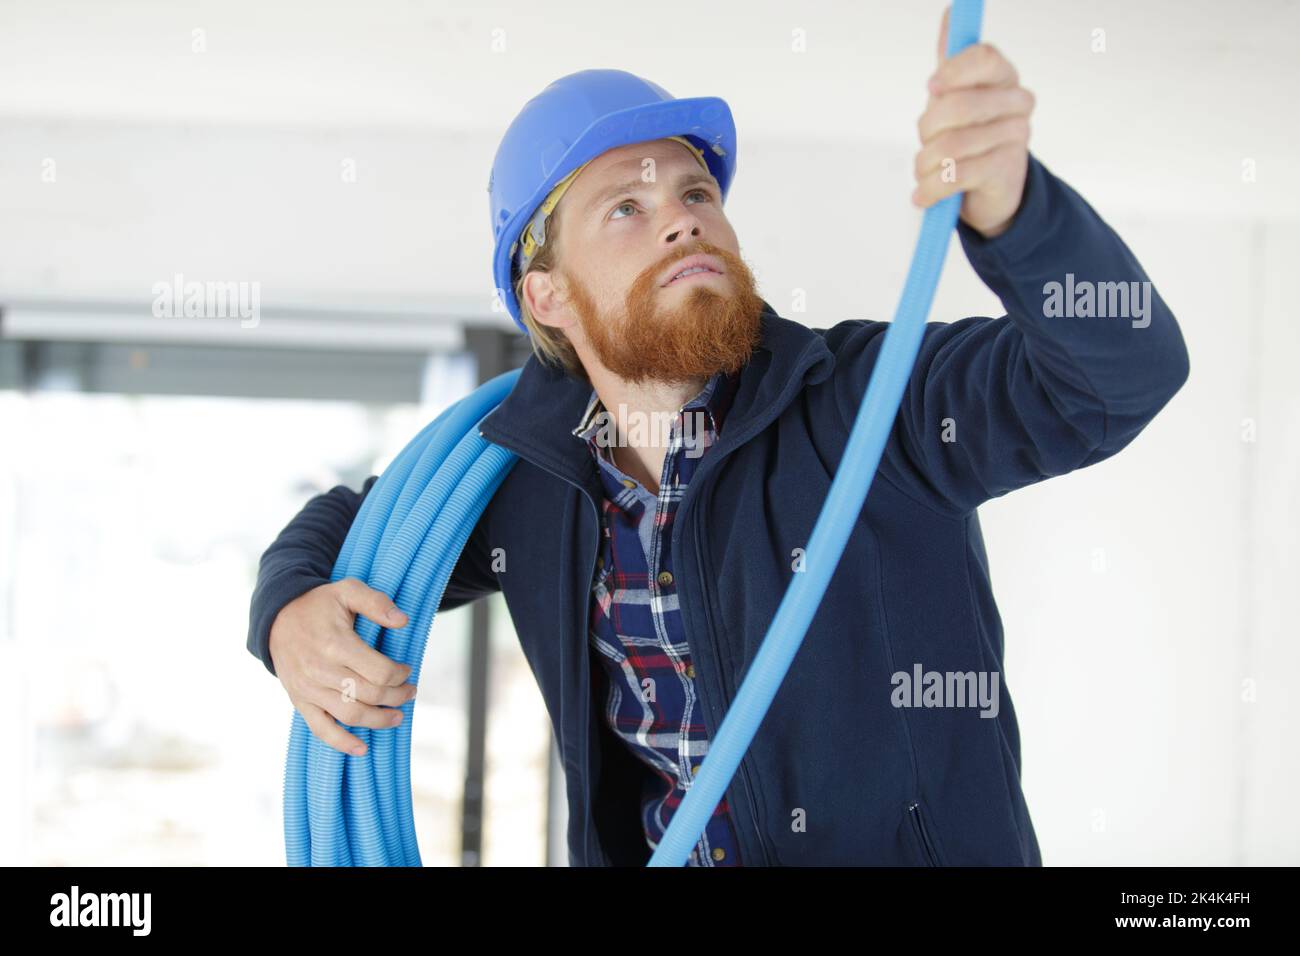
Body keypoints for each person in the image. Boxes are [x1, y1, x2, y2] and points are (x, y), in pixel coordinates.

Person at [246, 11, 1189, 866]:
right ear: (548, 295)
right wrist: (288, 610)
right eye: (628, 207)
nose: (683, 218)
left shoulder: (870, 403)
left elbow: (1117, 378)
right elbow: (352, 529)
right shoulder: (521, 482)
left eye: (696, 191)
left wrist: (1017, 212)